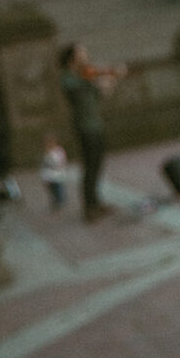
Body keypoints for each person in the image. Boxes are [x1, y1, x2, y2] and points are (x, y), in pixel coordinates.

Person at [59, 43, 126, 223]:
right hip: (84, 127)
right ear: (73, 57)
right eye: (82, 53)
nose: (86, 56)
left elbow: (99, 94)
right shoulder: (68, 77)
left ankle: (96, 202)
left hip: (96, 125)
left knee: (97, 165)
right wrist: (101, 75)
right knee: (89, 166)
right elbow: (79, 85)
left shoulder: (83, 76)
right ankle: (89, 207)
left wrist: (110, 81)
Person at [39, 132, 68, 209]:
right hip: (48, 175)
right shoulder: (46, 152)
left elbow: (59, 161)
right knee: (51, 189)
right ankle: (55, 199)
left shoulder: (58, 151)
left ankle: (59, 199)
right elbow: (44, 164)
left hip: (57, 174)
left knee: (58, 187)